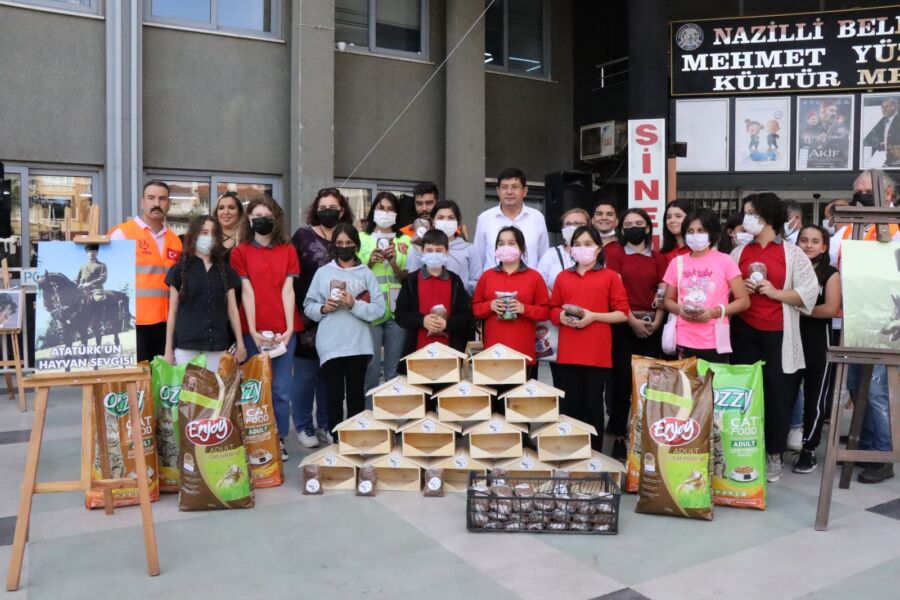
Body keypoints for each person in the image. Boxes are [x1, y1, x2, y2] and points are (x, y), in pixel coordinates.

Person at [729, 193, 818, 483]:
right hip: (743, 331)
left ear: (766, 215)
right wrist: (740, 287)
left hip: (779, 334)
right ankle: (743, 453)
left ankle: (774, 455)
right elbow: (726, 288)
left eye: (750, 213)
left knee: (778, 397)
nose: (746, 219)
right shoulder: (740, 252)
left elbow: (808, 293)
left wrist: (775, 292)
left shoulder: (792, 254)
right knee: (744, 396)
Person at [230, 196, 303, 462]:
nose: (262, 220)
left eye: (268, 216)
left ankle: (279, 437)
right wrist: (252, 330)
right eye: (257, 215)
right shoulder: (240, 253)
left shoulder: (288, 250)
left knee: (281, 389)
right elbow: (246, 292)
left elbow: (288, 290)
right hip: (253, 331)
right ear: (249, 220)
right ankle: (255, 438)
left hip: (284, 331)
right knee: (254, 388)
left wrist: (287, 329)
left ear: (276, 220)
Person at [549, 225, 629, 451]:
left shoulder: (610, 277)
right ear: (570, 249)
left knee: (593, 406)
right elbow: (552, 308)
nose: (582, 249)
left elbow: (622, 313)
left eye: (587, 244)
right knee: (569, 406)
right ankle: (569, 452)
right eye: (577, 244)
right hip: (568, 353)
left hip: (597, 354)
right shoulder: (563, 277)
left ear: (598, 248)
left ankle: (594, 454)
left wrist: (593, 316)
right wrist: (561, 316)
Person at [290, 187, 355, 448]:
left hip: (339, 317)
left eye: (333, 207)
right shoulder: (302, 236)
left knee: (330, 375)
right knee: (305, 375)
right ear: (316, 209)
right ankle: (304, 426)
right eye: (323, 206)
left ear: (342, 210)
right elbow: (292, 276)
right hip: (308, 315)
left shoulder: (347, 235)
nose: (327, 210)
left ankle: (327, 423)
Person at [304, 223, 385, 430]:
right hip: (331, 344)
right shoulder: (323, 273)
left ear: (356, 245)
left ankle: (355, 438)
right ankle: (335, 438)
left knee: (356, 394)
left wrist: (353, 304)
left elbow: (379, 310)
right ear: (333, 246)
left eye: (349, 243)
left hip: (359, 344)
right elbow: (308, 306)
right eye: (339, 243)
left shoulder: (366, 273)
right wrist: (323, 308)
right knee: (334, 394)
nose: (344, 246)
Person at [604, 208, 668, 461]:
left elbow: (663, 291)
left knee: (647, 384)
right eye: (628, 223)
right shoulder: (615, 254)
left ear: (648, 228)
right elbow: (616, 290)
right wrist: (632, 321)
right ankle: (620, 436)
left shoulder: (658, 257)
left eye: (638, 223)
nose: (633, 227)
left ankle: (644, 436)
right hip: (623, 323)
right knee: (621, 384)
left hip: (652, 324)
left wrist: (657, 321)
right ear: (622, 230)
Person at [662, 208, 750, 362]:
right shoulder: (677, 262)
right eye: (690, 231)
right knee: (687, 385)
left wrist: (713, 312)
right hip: (684, 339)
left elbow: (743, 301)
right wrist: (680, 310)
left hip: (715, 340)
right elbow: (668, 300)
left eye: (701, 230)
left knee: (714, 385)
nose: (695, 235)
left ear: (712, 232)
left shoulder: (725, 261)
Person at [109, 180, 183, 362]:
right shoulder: (122, 234)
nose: (156, 203)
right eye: (151, 198)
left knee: (160, 381)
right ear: (142, 202)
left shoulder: (175, 241)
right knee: (138, 383)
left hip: (166, 323)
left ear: (169, 204)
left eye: (162, 199)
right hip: (134, 323)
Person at [787, 225, 841, 474]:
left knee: (815, 399)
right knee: (785, 395)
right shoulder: (789, 271)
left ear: (824, 246)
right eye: (804, 240)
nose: (808, 245)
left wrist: (799, 307)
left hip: (818, 343)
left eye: (815, 241)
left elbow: (830, 309)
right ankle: (777, 445)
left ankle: (809, 449)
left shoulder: (831, 274)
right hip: (789, 340)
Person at [163, 215, 245, 372]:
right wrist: (168, 350)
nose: (209, 237)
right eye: (204, 232)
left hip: (217, 343)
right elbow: (172, 312)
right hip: (186, 343)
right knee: (187, 395)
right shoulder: (179, 269)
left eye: (213, 233)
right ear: (194, 235)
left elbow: (233, 311)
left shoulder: (225, 270)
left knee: (214, 394)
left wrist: (240, 344)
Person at [472, 226, 550, 379]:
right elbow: (475, 309)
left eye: (511, 243)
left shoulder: (534, 277)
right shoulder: (487, 276)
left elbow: (545, 312)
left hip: (523, 352)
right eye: (501, 244)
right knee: (495, 400)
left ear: (522, 248)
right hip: (493, 352)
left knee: (521, 401)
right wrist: (490, 306)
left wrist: (523, 309)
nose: (505, 247)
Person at [358, 192, 411, 396]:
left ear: (397, 214)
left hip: (397, 311)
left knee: (393, 368)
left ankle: (392, 414)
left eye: (390, 209)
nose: (385, 212)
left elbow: (407, 277)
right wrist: (371, 261)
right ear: (373, 211)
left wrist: (394, 263)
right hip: (370, 309)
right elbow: (355, 276)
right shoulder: (361, 239)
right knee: (370, 366)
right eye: (381, 208)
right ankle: (369, 413)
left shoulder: (405, 241)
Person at [395, 229, 473, 356]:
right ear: (422, 251)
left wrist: (447, 324)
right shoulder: (410, 281)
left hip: (450, 353)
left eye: (439, 250)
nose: (434, 254)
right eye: (429, 250)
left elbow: (465, 315)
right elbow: (400, 315)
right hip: (417, 352)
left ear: (447, 252)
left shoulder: (455, 281)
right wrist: (422, 320)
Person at [536, 208, 590, 386]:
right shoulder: (552, 254)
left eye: (579, 224)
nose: (574, 227)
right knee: (563, 380)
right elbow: (540, 282)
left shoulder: (597, 253)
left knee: (587, 381)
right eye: (569, 224)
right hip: (559, 323)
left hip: (590, 322)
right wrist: (557, 302)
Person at [473, 168, 549, 272]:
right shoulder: (485, 218)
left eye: (514, 187)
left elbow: (544, 258)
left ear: (525, 191)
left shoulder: (537, 218)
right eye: (504, 187)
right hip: (494, 283)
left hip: (529, 284)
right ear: (498, 191)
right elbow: (478, 259)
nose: (509, 192)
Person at [406, 199, 480, 294]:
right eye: (440, 217)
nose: (446, 221)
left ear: (457, 222)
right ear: (433, 221)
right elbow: (412, 278)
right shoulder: (421, 246)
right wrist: (419, 251)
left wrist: (459, 287)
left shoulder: (469, 249)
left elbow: (477, 281)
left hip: (458, 304)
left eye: (451, 218)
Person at [862, 96, 900, 167]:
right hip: (883, 157)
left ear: (894, 107)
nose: (883, 109)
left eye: (886, 107)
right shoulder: (882, 121)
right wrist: (879, 143)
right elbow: (873, 136)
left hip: (896, 159)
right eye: (882, 107)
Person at [591, 200, 624, 264]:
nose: (604, 218)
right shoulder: (583, 244)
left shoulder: (624, 244)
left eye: (609, 214)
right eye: (599, 214)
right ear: (592, 220)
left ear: (617, 221)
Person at [660, 199, 692, 263]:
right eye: (669, 217)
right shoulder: (662, 254)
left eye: (678, 216)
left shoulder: (698, 250)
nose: (672, 220)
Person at [215, 191, 244, 256]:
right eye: (221, 208)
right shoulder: (210, 237)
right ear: (216, 213)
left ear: (239, 212)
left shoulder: (247, 237)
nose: (226, 212)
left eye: (231, 207)